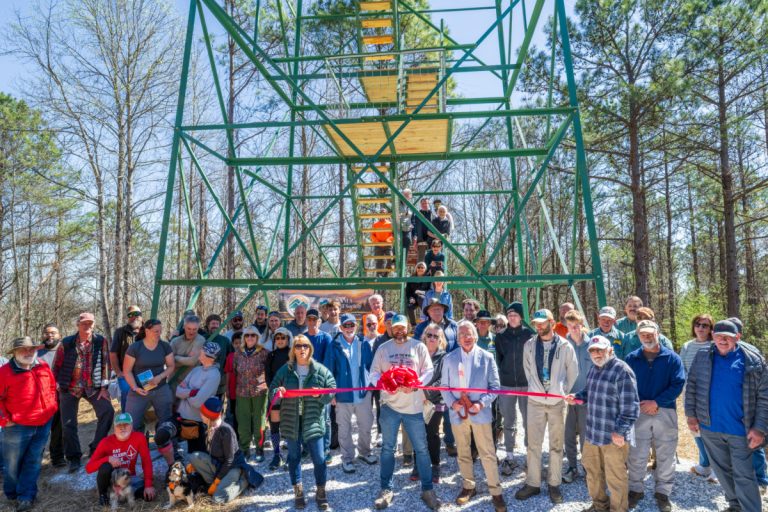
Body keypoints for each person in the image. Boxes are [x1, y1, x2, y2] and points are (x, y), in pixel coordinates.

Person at [685, 320, 768, 512]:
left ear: (737, 337)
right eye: (718, 335)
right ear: (712, 336)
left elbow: (764, 397)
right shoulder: (703, 355)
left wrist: (760, 428)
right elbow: (692, 387)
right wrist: (691, 416)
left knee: (744, 475)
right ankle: (735, 505)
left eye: (727, 337)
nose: (722, 340)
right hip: (710, 428)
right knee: (722, 472)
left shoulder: (753, 360)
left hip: (741, 430)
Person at [370, 315, 440, 510]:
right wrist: (384, 385)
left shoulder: (418, 346)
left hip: (414, 408)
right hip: (389, 407)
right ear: (391, 329)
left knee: (422, 449)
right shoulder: (384, 349)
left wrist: (417, 385)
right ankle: (386, 489)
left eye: (403, 327)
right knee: (387, 449)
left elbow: (428, 370)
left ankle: (427, 489)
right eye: (396, 328)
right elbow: (373, 373)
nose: (399, 331)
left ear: (408, 328)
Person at [565, 335, 640, 512]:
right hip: (592, 433)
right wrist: (576, 397)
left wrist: (620, 431)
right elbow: (588, 392)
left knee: (616, 478)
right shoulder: (594, 369)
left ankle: (618, 509)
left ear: (610, 350)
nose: (596, 354)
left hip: (614, 437)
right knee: (592, 474)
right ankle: (599, 506)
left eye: (600, 349)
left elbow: (631, 407)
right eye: (592, 351)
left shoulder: (622, 371)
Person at [441, 321, 506, 512]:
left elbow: (495, 387)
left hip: (480, 414)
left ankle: (496, 491)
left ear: (475, 336)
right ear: (458, 338)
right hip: (458, 413)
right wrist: (453, 403)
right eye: (462, 335)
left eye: (469, 334)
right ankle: (469, 486)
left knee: (487, 453)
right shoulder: (450, 359)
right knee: (463, 452)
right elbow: (444, 387)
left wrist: (481, 403)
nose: (466, 338)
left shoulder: (487, 358)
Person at [515, 309, 577, 504]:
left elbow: (572, 372)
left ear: (551, 322)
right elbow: (527, 370)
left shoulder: (565, 345)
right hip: (535, 402)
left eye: (542, 322)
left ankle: (554, 484)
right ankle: (533, 483)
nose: (539, 326)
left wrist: (561, 391)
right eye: (536, 323)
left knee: (556, 445)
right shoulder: (529, 345)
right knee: (533, 444)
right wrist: (536, 388)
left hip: (557, 403)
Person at [624, 320, 685, 512]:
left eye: (650, 333)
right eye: (643, 334)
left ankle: (663, 493)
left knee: (666, 453)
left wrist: (656, 402)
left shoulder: (672, 358)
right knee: (636, 454)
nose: (647, 337)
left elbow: (678, 384)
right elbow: (626, 385)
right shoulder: (631, 358)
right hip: (639, 410)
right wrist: (642, 403)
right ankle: (635, 490)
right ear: (638, 336)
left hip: (665, 410)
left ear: (658, 333)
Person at [270, 334, 336, 510]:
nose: (302, 349)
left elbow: (332, 390)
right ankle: (298, 491)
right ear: (293, 349)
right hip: (292, 421)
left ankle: (321, 491)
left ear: (310, 349)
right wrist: (279, 392)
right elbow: (272, 392)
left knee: (320, 459)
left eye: (305, 346)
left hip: (313, 421)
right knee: (293, 457)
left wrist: (321, 393)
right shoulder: (286, 370)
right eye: (298, 346)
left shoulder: (320, 370)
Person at [0, 337, 58, 512]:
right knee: (12, 463)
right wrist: (5, 420)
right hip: (17, 426)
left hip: (43, 423)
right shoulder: (4, 372)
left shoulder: (42, 365)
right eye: (23, 350)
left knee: (33, 461)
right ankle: (11, 493)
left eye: (31, 349)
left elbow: (52, 387)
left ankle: (26, 496)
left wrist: (52, 406)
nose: (28, 352)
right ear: (15, 353)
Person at [55, 312, 114, 473]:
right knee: (68, 425)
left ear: (93, 324)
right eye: (83, 323)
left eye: (90, 323)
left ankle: (96, 448)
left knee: (107, 411)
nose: (87, 326)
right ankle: (74, 458)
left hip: (92, 387)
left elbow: (106, 365)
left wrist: (103, 388)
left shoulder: (100, 341)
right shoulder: (66, 343)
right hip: (70, 387)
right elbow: (57, 364)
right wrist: (57, 383)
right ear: (78, 325)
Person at [324, 314, 377, 474]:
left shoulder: (364, 343)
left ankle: (365, 452)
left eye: (352, 325)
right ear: (341, 328)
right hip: (343, 395)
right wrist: (331, 393)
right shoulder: (334, 346)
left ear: (356, 326)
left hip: (363, 393)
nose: (349, 328)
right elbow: (328, 371)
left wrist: (371, 387)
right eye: (346, 325)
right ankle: (347, 458)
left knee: (366, 425)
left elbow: (371, 367)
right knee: (344, 428)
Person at [188, 397, 264, 504]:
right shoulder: (208, 426)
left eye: (202, 413)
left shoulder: (226, 431)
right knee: (192, 457)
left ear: (209, 417)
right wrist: (195, 465)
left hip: (233, 467)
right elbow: (207, 450)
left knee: (217, 499)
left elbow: (229, 460)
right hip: (218, 463)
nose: (200, 415)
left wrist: (217, 481)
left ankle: (243, 481)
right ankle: (215, 483)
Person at [156, 341, 222, 464]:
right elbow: (178, 391)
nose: (199, 354)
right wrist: (192, 392)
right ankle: (173, 465)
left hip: (197, 423)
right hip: (181, 417)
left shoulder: (214, 375)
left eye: (201, 352)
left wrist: (186, 393)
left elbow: (197, 402)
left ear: (209, 357)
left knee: (197, 460)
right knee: (161, 434)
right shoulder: (196, 370)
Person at [495, 301, 533, 475]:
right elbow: (499, 359)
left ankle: (529, 456)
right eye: (509, 315)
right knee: (509, 421)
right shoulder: (501, 336)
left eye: (515, 315)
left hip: (526, 384)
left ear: (521, 317)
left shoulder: (530, 335)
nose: (512, 317)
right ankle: (509, 456)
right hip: (507, 383)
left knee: (528, 421)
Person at [86, 412, 155, 507]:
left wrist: (148, 485)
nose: (122, 428)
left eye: (126, 425)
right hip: (112, 480)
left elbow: (146, 461)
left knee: (148, 497)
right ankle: (103, 495)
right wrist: (108, 458)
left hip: (129, 478)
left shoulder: (139, 438)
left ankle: (122, 495)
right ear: (114, 428)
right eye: (119, 425)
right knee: (105, 467)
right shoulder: (105, 442)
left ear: (131, 426)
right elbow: (89, 468)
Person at [679, 313, 717, 483]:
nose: (701, 328)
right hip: (690, 393)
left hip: (710, 395)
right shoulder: (687, 346)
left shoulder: (714, 346)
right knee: (695, 429)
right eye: (698, 324)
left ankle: (717, 469)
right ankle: (704, 464)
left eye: (705, 325)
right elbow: (682, 370)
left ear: (710, 329)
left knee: (711, 431)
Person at [122, 319, 175, 432]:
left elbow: (171, 366)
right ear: (147, 331)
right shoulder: (135, 348)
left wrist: (160, 377)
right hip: (139, 391)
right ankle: (136, 446)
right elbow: (127, 371)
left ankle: (167, 445)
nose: (159, 334)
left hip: (161, 389)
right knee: (131, 423)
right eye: (156, 331)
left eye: (160, 331)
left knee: (166, 421)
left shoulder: (165, 346)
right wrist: (135, 388)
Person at [562, 309, 593, 484]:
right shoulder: (564, 346)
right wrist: (565, 393)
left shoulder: (592, 345)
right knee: (568, 435)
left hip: (587, 399)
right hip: (568, 399)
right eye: (570, 326)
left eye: (576, 325)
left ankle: (588, 468)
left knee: (586, 436)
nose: (573, 329)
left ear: (582, 325)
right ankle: (572, 467)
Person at [233, 326, 270, 461]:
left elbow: (269, 371)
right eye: (247, 335)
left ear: (257, 337)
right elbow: (235, 370)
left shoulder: (264, 353)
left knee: (259, 422)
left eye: (253, 335)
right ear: (244, 338)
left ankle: (259, 449)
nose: (249, 338)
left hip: (259, 392)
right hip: (242, 392)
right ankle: (244, 448)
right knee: (243, 422)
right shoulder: (238, 353)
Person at [418, 323, 448, 484]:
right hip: (416, 400)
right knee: (417, 433)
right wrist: (418, 392)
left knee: (432, 434)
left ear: (440, 339)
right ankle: (418, 464)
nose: (431, 338)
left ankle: (435, 465)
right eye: (429, 335)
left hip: (436, 401)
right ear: (424, 336)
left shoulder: (444, 357)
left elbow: (443, 380)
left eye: (435, 336)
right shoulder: (417, 352)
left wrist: (426, 392)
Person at [36, 323, 65, 468]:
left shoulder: (64, 350)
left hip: (60, 395)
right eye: (47, 333)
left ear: (59, 334)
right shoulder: (35, 352)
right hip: (39, 398)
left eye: (53, 333)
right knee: (39, 430)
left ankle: (57, 457)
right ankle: (36, 459)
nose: (50, 335)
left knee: (58, 428)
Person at [264, 327, 292, 470]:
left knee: (289, 425)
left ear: (288, 339)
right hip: (275, 394)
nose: (280, 340)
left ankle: (291, 456)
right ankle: (277, 454)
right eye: (278, 338)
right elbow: (268, 376)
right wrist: (274, 390)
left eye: (283, 338)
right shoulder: (271, 355)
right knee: (274, 424)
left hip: (290, 394)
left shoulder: (292, 354)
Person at [110, 305, 143, 411]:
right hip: (126, 373)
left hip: (144, 373)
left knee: (147, 393)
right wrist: (118, 372)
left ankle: (140, 422)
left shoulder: (148, 330)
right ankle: (126, 421)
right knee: (127, 394)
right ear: (127, 317)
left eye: (137, 314)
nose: (134, 317)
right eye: (131, 315)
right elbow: (113, 353)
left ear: (141, 315)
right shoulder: (120, 332)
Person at [168, 315, 205, 396]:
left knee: (186, 407)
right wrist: (186, 359)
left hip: (191, 382)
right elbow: (168, 362)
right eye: (189, 328)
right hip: (174, 380)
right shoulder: (175, 341)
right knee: (171, 406)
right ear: (184, 327)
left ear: (198, 328)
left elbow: (192, 361)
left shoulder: (200, 340)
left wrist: (176, 357)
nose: (191, 332)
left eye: (194, 329)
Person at [203, 314, 233, 398]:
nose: (215, 326)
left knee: (217, 406)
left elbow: (230, 359)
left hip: (220, 381)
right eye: (213, 324)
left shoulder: (225, 341)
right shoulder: (202, 339)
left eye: (217, 324)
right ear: (208, 325)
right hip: (203, 380)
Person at [224, 331, 243, 436]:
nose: (238, 345)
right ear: (233, 344)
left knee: (243, 413)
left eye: (240, 342)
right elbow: (227, 372)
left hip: (244, 390)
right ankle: (236, 435)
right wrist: (226, 388)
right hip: (232, 390)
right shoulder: (230, 356)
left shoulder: (247, 356)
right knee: (235, 413)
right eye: (236, 343)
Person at [413, 197, 434, 262]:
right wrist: (415, 239)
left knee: (432, 259)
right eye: (423, 203)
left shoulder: (433, 214)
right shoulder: (417, 214)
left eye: (426, 203)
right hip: (420, 240)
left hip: (431, 239)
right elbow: (415, 227)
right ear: (420, 204)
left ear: (428, 204)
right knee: (420, 260)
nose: (424, 205)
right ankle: (420, 272)